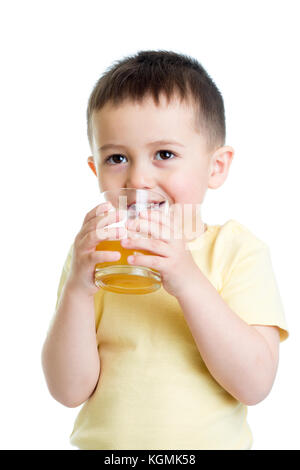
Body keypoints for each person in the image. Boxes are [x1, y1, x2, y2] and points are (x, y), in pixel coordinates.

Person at [41, 50, 288, 450]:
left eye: (164, 154)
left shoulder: (237, 250)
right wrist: (77, 289)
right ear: (96, 171)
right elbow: (68, 391)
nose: (138, 177)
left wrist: (187, 278)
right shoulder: (95, 257)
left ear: (216, 167)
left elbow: (254, 384)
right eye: (117, 158)